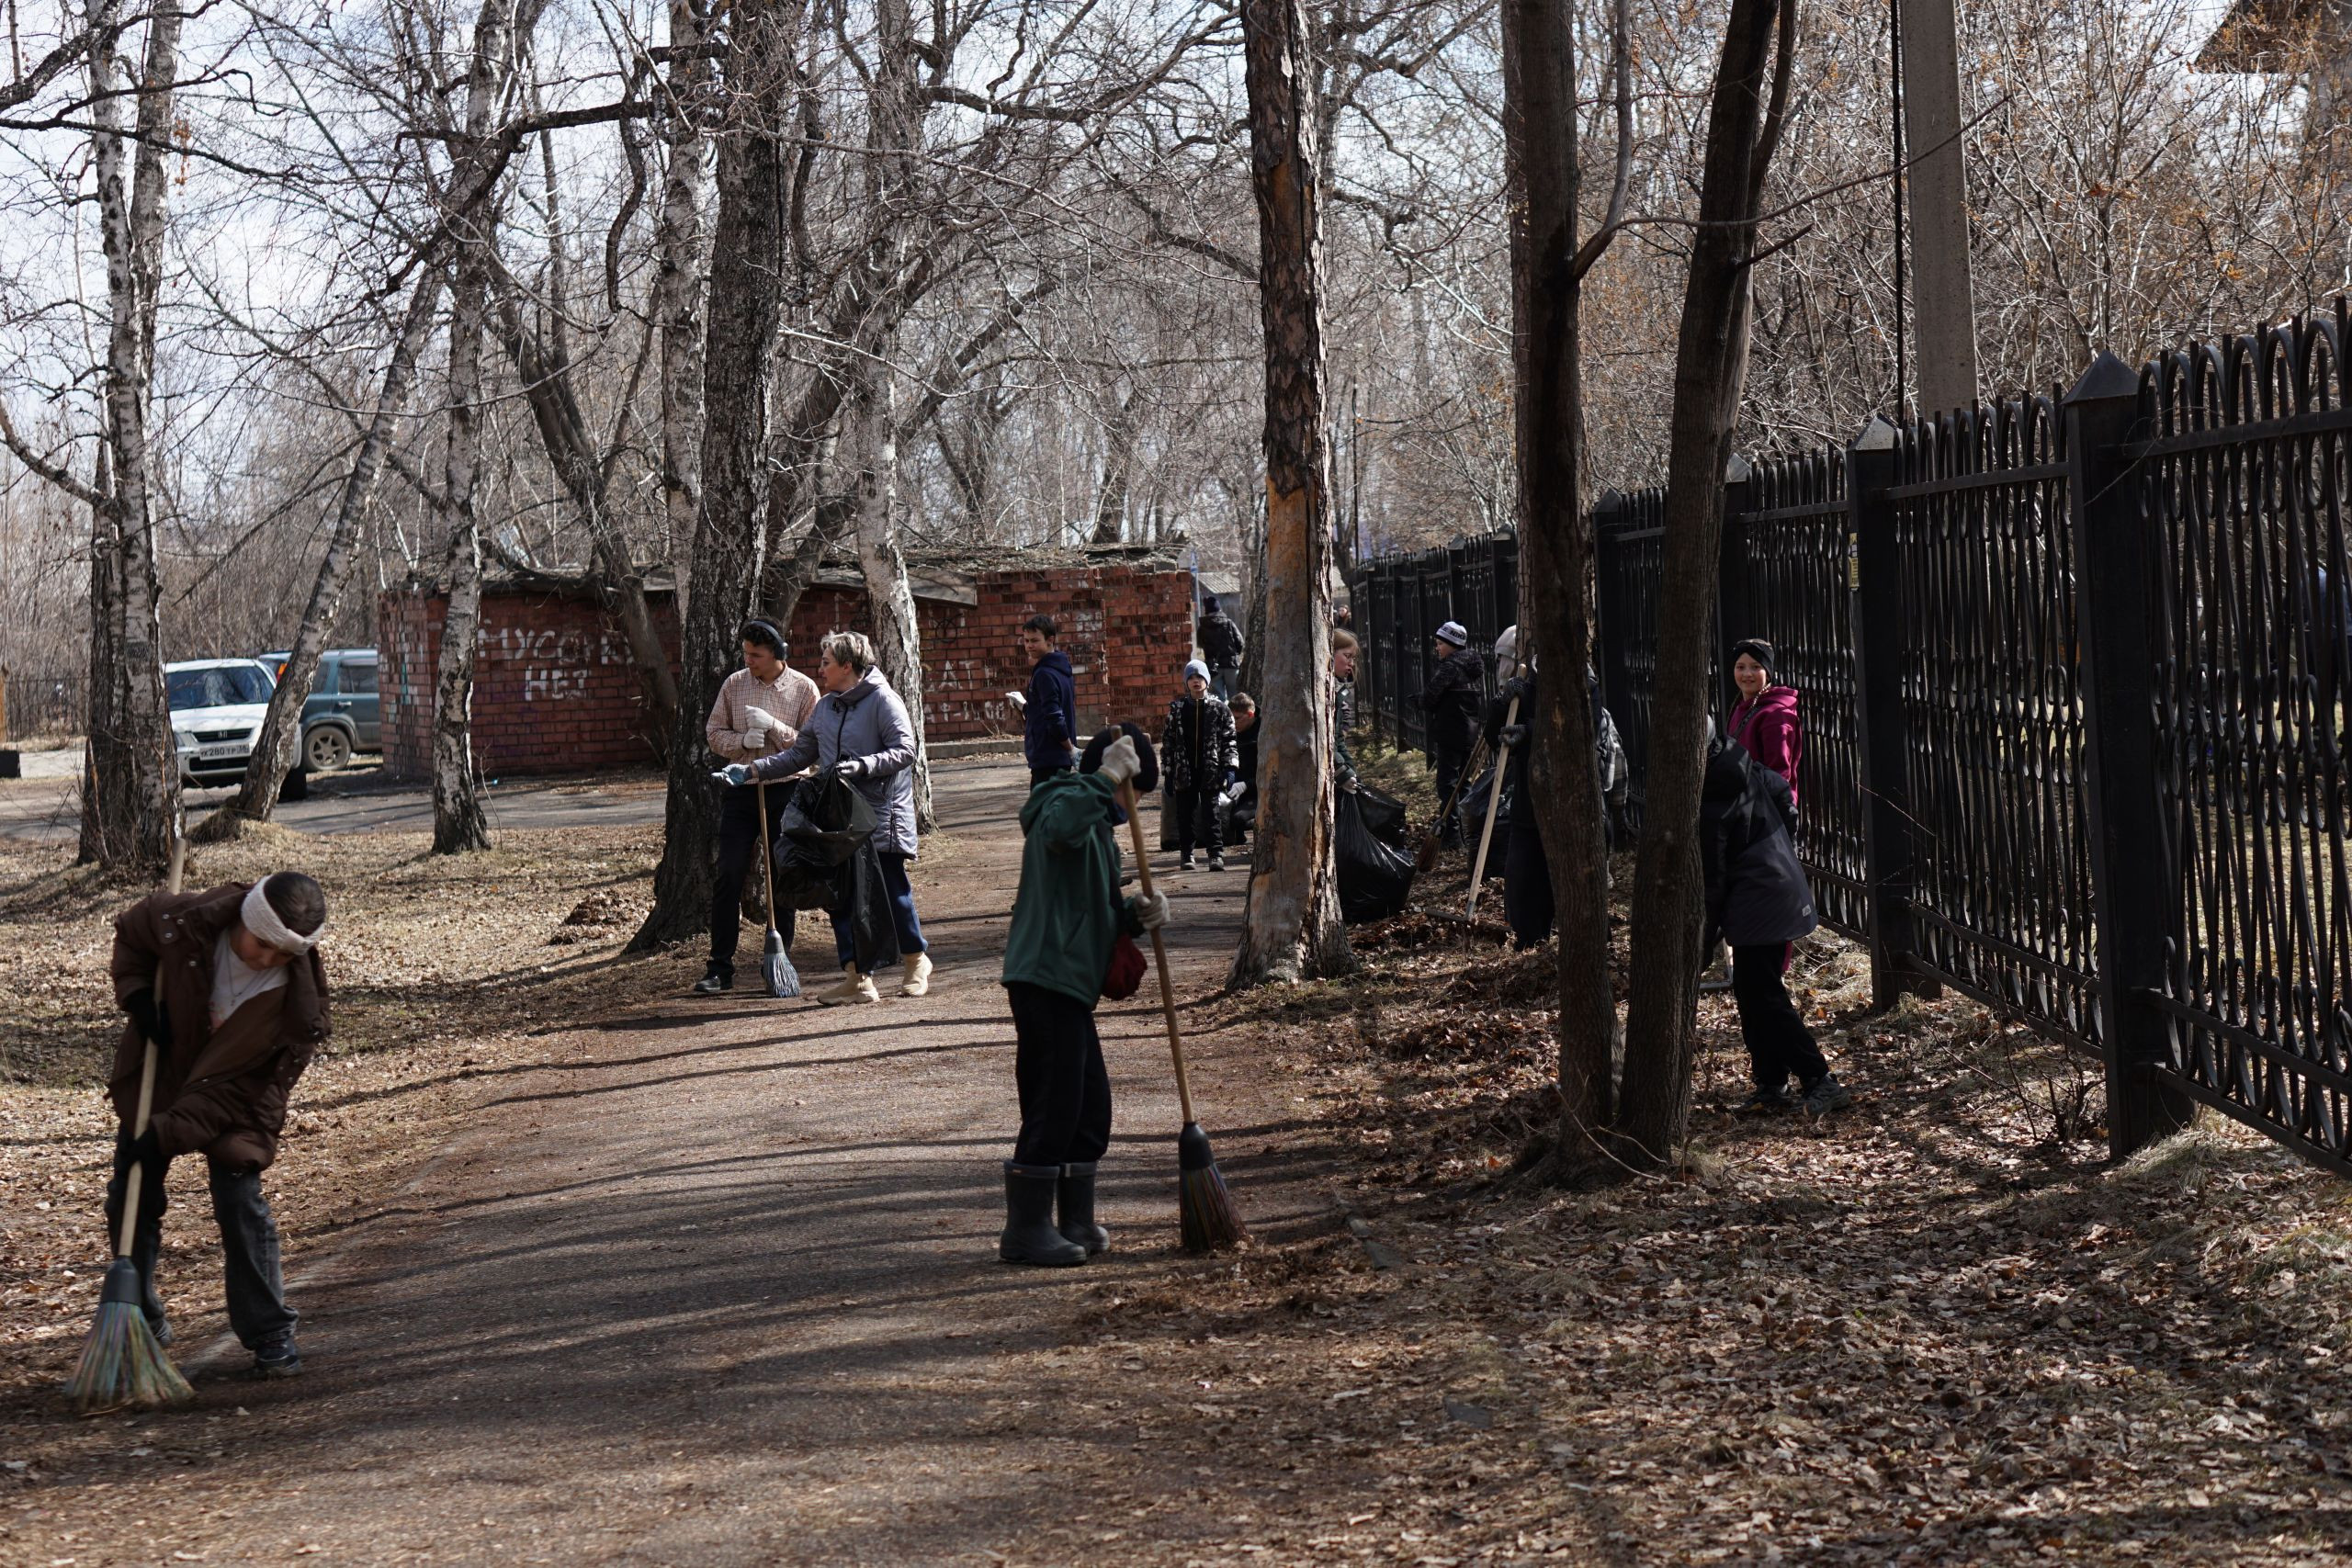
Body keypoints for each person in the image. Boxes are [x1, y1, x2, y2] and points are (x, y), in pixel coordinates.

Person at [105, 872, 331, 1379]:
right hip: (161, 1073)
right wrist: (139, 998)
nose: (267, 959)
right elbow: (133, 937)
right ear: (245, 920)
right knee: (131, 1197)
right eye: (262, 944)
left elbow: (240, 1089)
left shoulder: (296, 1008)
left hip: (238, 1100)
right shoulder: (180, 921)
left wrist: (166, 1133)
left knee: (239, 1203)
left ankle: (269, 1331)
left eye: (283, 954)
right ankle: (140, 1316)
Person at [998, 725, 1170, 1266]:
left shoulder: (1098, 829)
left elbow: (1089, 910)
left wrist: (1135, 916)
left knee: (1089, 1107)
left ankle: (1074, 1218)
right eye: (1135, 794)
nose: (1133, 809)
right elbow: (1056, 831)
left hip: (1071, 983)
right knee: (1054, 1102)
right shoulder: (1064, 799)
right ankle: (1026, 1230)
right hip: (1044, 975)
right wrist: (1105, 778)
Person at [728, 632, 930, 1005]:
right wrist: (751, 771)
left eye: (826, 663)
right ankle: (857, 979)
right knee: (839, 896)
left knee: (891, 893)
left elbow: (905, 750)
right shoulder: (826, 708)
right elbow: (798, 755)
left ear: (847, 666)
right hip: (839, 821)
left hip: (880, 816)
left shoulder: (883, 700)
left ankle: (916, 962)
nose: (819, 669)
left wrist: (864, 765)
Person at [1701, 739, 1852, 1116]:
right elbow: (1782, 792)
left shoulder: (1713, 800)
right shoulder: (1738, 766)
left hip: (1761, 898)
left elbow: (1712, 883)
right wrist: (1780, 842)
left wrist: (1701, 943)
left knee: (1763, 995)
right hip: (1773, 883)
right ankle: (1771, 1080)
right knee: (1751, 991)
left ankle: (1820, 1078)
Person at [696, 619, 821, 995]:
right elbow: (713, 733)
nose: (748, 660)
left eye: (756, 655)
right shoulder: (735, 684)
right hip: (742, 790)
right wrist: (742, 742)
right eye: (746, 653)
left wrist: (774, 727)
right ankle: (719, 967)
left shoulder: (804, 689)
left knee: (783, 873)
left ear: (777, 654)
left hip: (786, 790)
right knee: (729, 872)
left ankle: (779, 963)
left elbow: (812, 745)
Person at [1159, 660, 1238, 872]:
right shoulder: (1177, 710)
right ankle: (1187, 854)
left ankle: (1216, 855)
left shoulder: (1220, 709)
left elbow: (1229, 740)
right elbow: (1168, 743)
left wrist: (1230, 767)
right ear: (1186, 682)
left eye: (1200, 677)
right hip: (1183, 770)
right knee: (1185, 814)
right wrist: (1168, 771)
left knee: (1212, 813)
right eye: (1191, 678)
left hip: (1210, 769)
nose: (1196, 681)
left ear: (1207, 681)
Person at [1420, 620, 1484, 848]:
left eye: (1440, 643)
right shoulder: (1472, 667)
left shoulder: (1450, 667)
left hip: (1450, 732)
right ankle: (1467, 831)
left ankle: (1452, 834)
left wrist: (1420, 701)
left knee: (1447, 784)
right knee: (1464, 783)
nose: (1437, 648)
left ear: (1452, 644)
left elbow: (1430, 697)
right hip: (1469, 731)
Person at [1726, 637, 1803, 807]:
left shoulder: (1776, 716)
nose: (1747, 674)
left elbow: (1779, 775)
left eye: (1756, 667)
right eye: (1740, 667)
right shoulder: (1741, 706)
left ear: (1768, 672)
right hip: (1744, 804)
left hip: (1767, 809)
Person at [1013, 614, 1077, 785]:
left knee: (1043, 802)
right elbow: (1047, 710)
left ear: (1050, 640)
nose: (1029, 646)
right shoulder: (1061, 668)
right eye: (1026, 641)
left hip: (1048, 758)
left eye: (1034, 641)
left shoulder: (1044, 674)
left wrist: (1070, 749)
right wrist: (1024, 706)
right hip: (1057, 758)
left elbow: (1055, 717)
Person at [1221, 692, 1260, 845]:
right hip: (1237, 788)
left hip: (1258, 791)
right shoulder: (1231, 731)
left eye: (1237, 718)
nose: (1233, 723)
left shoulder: (1264, 732)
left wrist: (1247, 785)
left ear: (1250, 715)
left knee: (1238, 820)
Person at [1196, 592, 1245, 700]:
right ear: (1219, 610)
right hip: (1231, 665)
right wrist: (1235, 654)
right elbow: (1240, 642)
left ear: (1207, 611)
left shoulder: (1202, 628)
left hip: (1213, 666)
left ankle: (1222, 711)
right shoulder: (1229, 623)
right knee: (1235, 698)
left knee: (1218, 699)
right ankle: (1235, 711)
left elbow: (1200, 645)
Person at [1331, 627, 1361, 793]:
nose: (1352, 664)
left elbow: (1337, 740)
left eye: (1353, 658)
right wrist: (1343, 773)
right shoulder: (1321, 692)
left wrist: (1351, 771)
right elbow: (1325, 741)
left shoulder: (1337, 690)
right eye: (1347, 656)